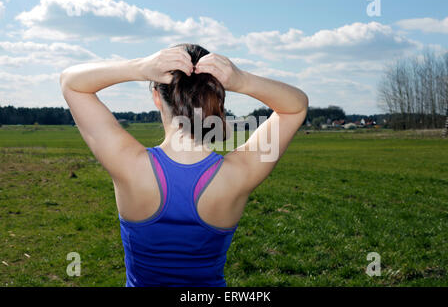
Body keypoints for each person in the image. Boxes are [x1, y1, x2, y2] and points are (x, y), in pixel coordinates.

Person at [60, 43, 308, 287]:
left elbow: (71, 83)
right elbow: (295, 108)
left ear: (157, 97)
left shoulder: (129, 165)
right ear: (215, 96)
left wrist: (139, 67)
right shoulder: (238, 175)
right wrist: (242, 80)